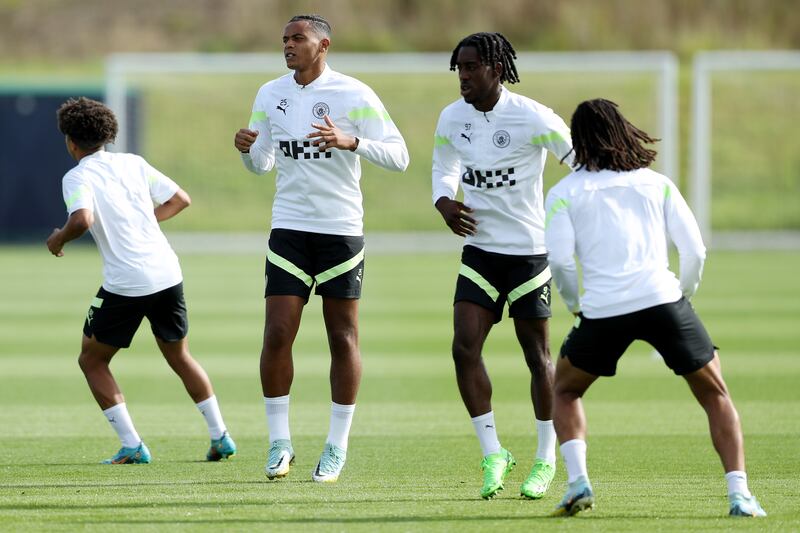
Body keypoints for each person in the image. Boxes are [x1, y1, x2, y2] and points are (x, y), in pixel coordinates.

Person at [545, 98, 766, 518]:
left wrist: (576, 306)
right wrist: (683, 295)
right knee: (715, 395)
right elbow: (694, 249)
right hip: (663, 301)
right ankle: (740, 495)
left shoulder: (564, 192)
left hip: (603, 311)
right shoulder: (657, 183)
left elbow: (558, 261)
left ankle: (578, 483)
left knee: (566, 389)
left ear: (578, 141)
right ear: (625, 130)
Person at [233, 14, 409, 483]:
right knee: (276, 333)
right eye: (285, 39)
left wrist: (351, 141)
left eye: (298, 38)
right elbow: (263, 164)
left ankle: (336, 447)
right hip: (289, 228)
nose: (288, 45)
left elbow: (400, 155)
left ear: (323, 44)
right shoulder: (271, 93)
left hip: (340, 232)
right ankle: (279, 443)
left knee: (342, 338)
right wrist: (248, 149)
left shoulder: (354, 93)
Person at [47, 97, 236, 464]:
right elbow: (181, 199)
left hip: (127, 283)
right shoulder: (132, 162)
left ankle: (133, 446)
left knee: (92, 361)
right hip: (167, 272)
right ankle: (221, 436)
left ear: (71, 141)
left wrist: (57, 238)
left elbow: (82, 220)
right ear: (107, 135)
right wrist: (141, 222)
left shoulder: (77, 176)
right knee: (179, 355)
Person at [431, 32, 574, 500]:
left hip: (529, 254)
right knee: (463, 347)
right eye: (459, 69)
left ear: (496, 69)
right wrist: (443, 201)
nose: (463, 77)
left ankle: (546, 457)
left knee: (537, 356)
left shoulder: (531, 116)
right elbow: (444, 164)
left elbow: (577, 162)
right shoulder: (452, 117)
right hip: (480, 253)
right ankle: (493, 451)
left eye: (471, 68)